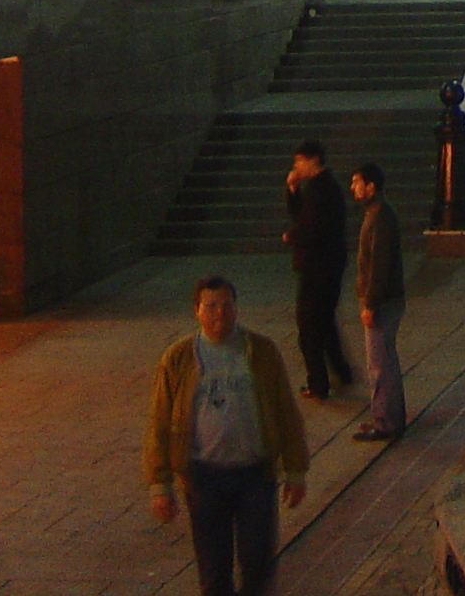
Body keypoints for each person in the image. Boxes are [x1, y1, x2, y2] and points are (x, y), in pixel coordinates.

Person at [144, 275, 309, 596]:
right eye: (211, 306)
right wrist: (160, 484)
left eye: (226, 305)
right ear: (197, 310)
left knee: (258, 565)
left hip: (254, 475)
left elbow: (285, 412)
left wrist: (296, 470)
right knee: (214, 571)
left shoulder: (260, 352)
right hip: (205, 479)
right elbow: (160, 422)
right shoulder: (179, 359)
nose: (220, 313)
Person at [282, 141, 353, 402]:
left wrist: (292, 237)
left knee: (309, 327)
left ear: (313, 161)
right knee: (324, 322)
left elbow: (310, 227)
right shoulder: (319, 188)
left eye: (299, 162)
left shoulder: (322, 190)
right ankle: (342, 371)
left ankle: (318, 383)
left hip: (318, 267)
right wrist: (292, 189)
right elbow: (301, 215)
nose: (295, 167)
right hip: (326, 265)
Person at [350, 163, 407, 442]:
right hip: (385, 298)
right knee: (384, 360)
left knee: (380, 363)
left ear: (370, 187)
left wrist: (370, 303)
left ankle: (386, 421)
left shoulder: (380, 217)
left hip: (382, 301)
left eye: (357, 182)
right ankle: (386, 415)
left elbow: (379, 265)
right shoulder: (377, 214)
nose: (353, 188)